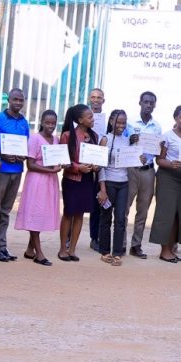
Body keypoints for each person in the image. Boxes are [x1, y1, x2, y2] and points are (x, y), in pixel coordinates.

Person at [0, 88, 30, 262]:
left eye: (21, 100)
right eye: (15, 99)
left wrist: (23, 155)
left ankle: (2, 246)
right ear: (8, 100)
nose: (18, 103)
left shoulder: (24, 122)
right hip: (1, 170)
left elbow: (25, 145)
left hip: (17, 170)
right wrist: (1, 154)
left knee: (5, 211)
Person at [16, 110, 61, 266]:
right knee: (36, 213)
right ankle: (39, 253)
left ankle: (30, 249)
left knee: (42, 213)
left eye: (53, 123)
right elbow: (30, 164)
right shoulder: (35, 138)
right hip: (37, 181)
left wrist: (61, 164)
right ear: (42, 122)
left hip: (50, 181)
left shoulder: (56, 139)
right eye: (47, 122)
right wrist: (51, 170)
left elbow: (57, 158)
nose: (50, 126)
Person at [57, 104, 101, 261]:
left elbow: (98, 158)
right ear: (80, 120)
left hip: (88, 180)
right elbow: (63, 161)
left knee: (80, 214)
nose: (92, 119)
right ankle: (63, 248)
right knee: (69, 213)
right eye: (89, 117)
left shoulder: (94, 136)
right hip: (72, 180)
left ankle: (72, 250)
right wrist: (78, 167)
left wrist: (96, 166)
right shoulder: (68, 136)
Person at [151, 106, 181, 263]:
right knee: (166, 214)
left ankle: (172, 248)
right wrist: (171, 164)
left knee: (178, 215)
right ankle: (164, 251)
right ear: (175, 118)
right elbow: (159, 160)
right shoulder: (166, 136)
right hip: (168, 178)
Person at [125, 91, 162, 259]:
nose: (148, 105)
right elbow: (121, 142)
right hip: (131, 169)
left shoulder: (157, 127)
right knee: (124, 208)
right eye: (145, 102)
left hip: (148, 170)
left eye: (151, 103)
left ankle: (136, 245)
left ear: (155, 105)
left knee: (142, 211)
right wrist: (129, 140)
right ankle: (121, 243)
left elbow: (158, 150)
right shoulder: (130, 123)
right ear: (140, 102)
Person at [96, 109, 130, 266]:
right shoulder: (105, 139)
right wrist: (102, 189)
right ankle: (104, 251)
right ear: (111, 121)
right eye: (118, 122)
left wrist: (140, 158)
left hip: (123, 182)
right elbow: (101, 166)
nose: (121, 125)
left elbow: (130, 161)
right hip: (108, 182)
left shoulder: (127, 140)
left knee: (121, 219)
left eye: (124, 122)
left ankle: (117, 252)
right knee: (106, 217)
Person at [88, 87, 106, 253]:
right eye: (93, 97)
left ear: (103, 101)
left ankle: (95, 238)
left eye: (99, 98)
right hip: (83, 166)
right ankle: (69, 238)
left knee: (96, 205)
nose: (96, 100)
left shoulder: (107, 120)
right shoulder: (79, 118)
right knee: (76, 204)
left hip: (100, 166)